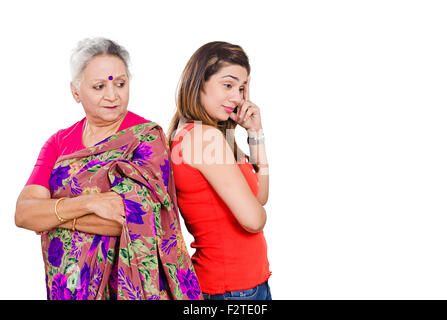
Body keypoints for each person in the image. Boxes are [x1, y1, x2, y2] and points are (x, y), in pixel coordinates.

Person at [15, 37, 201, 300]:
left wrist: (53, 219)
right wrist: (90, 203)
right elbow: (23, 214)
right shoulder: (58, 142)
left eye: (121, 84)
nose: (113, 95)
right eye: (99, 86)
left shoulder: (146, 138)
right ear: (76, 91)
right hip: (70, 284)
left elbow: (135, 220)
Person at [168, 41, 271, 300]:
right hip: (233, 290)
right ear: (199, 82)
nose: (237, 97)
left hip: (239, 285)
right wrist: (257, 212)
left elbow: (259, 197)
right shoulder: (205, 138)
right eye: (228, 84)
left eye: (242, 87)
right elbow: (255, 219)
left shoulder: (211, 135)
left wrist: (255, 133)